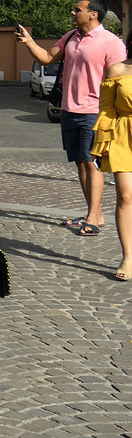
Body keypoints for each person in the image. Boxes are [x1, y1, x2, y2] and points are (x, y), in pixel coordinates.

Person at [17, 0, 127, 236]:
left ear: (93, 15)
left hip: (95, 111)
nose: (72, 12)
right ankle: (94, 212)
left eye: (78, 9)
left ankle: (94, 219)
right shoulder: (70, 37)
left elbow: (119, 79)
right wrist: (29, 42)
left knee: (92, 162)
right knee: (79, 161)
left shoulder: (111, 42)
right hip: (69, 109)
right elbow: (47, 57)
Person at [91, 54, 132, 281]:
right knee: (126, 196)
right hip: (124, 136)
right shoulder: (117, 71)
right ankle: (128, 257)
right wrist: (101, 144)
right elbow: (106, 110)